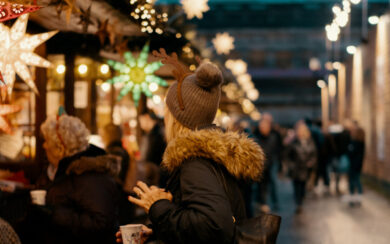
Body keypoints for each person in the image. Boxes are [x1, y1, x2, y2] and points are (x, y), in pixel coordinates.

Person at [121, 58, 265, 244]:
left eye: (167, 111)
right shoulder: (214, 155)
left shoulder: (195, 160)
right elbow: (198, 224)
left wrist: (158, 206)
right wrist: (158, 232)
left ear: (177, 118)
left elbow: (213, 226)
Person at [40, 114, 120, 244]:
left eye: (47, 140)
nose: (44, 146)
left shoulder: (91, 175)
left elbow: (100, 223)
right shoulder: (58, 170)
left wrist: (54, 214)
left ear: (60, 147)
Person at [286, 122, 317, 214]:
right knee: (296, 187)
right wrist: (291, 165)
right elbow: (287, 155)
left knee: (303, 186)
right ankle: (298, 204)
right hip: (296, 168)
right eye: (299, 131)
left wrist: (311, 162)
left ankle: (300, 201)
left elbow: (314, 154)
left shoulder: (310, 141)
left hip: (305, 169)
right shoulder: (293, 142)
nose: (300, 132)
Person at [254, 118, 279, 212]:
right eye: (261, 127)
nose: (262, 128)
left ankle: (275, 202)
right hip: (261, 165)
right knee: (262, 186)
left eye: (264, 126)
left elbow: (276, 150)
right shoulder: (257, 137)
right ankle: (263, 203)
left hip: (271, 164)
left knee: (272, 184)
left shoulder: (274, 137)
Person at [139, 111, 167, 187]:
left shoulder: (154, 136)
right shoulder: (159, 132)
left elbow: (147, 157)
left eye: (141, 120)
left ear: (147, 117)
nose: (141, 124)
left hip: (155, 176)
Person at [347, 122, 365, 206]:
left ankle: (352, 198)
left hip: (353, 165)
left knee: (353, 181)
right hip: (358, 165)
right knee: (357, 181)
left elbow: (350, 153)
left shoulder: (354, 142)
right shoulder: (362, 142)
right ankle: (358, 198)